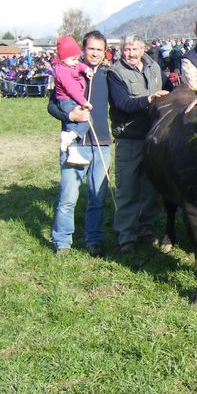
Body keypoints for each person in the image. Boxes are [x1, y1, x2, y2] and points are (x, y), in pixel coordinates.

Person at [48, 31, 110, 256]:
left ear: (104, 52)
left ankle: (93, 239)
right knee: (68, 198)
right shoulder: (68, 71)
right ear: (83, 50)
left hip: (102, 143)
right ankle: (62, 241)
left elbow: (123, 101)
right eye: (91, 49)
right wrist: (70, 117)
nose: (94, 53)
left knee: (97, 198)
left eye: (99, 50)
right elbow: (52, 106)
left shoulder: (107, 75)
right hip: (76, 144)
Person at [107, 35, 169, 254]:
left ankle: (146, 230)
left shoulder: (154, 68)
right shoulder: (115, 73)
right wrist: (149, 100)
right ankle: (127, 236)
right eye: (126, 49)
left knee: (151, 189)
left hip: (153, 139)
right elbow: (121, 103)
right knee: (128, 189)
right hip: (129, 138)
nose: (130, 53)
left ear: (143, 49)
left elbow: (169, 86)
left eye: (134, 49)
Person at [53, 36, 94, 167]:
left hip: (71, 99)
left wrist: (86, 69)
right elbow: (71, 90)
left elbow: (79, 66)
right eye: (73, 59)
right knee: (80, 121)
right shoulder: (62, 71)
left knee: (85, 121)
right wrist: (84, 102)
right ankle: (70, 141)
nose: (76, 62)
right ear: (62, 58)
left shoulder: (71, 64)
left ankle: (70, 139)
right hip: (67, 100)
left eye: (77, 58)